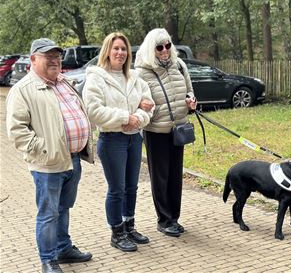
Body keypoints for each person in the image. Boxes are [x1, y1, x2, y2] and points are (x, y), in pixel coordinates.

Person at [6, 38, 94, 273]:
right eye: (48, 57)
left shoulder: (64, 82)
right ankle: (48, 260)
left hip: (72, 159)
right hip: (48, 164)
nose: (55, 60)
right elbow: (17, 132)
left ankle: (63, 249)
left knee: (64, 208)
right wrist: (45, 151)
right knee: (48, 213)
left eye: (57, 56)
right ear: (34, 59)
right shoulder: (23, 90)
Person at [83, 32, 154, 252]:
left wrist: (138, 119)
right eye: (116, 48)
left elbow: (149, 104)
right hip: (112, 139)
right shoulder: (96, 77)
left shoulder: (134, 78)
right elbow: (93, 110)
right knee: (117, 189)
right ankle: (116, 232)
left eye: (124, 49)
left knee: (132, 187)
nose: (120, 53)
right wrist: (125, 117)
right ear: (107, 51)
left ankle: (129, 225)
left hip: (134, 138)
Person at [134, 28, 197, 238]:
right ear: (151, 49)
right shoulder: (142, 71)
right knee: (160, 177)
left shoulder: (179, 65)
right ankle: (164, 219)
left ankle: (174, 218)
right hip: (156, 130)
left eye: (168, 45)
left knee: (175, 176)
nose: (164, 50)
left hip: (178, 128)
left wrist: (191, 101)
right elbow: (137, 101)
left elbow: (189, 90)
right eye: (159, 47)